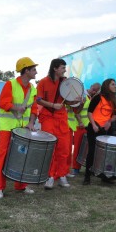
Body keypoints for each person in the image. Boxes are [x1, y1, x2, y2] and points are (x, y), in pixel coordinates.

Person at [0, 57, 38, 199]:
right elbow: (2, 103)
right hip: (7, 127)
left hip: (23, 128)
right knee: (3, 156)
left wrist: (31, 123)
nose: (36, 72)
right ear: (26, 71)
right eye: (34, 69)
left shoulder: (32, 88)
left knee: (22, 156)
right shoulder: (10, 84)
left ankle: (21, 185)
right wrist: (17, 107)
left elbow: (35, 108)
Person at [37, 58, 80, 189]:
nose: (65, 70)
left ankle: (62, 175)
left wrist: (76, 101)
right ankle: (49, 176)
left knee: (64, 149)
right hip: (48, 118)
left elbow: (68, 101)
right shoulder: (43, 82)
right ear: (55, 68)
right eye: (62, 67)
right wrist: (51, 105)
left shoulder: (66, 82)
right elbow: (38, 99)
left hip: (61, 118)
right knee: (50, 148)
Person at [82, 79, 116, 185]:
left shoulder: (113, 100)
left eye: (115, 84)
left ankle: (104, 176)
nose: (115, 86)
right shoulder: (98, 97)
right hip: (94, 128)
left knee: (106, 154)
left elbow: (114, 115)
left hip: (106, 129)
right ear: (107, 86)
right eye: (113, 84)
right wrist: (93, 125)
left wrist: (109, 122)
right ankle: (87, 176)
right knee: (92, 151)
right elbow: (90, 112)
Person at [70, 83, 101, 175]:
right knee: (78, 148)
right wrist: (80, 122)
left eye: (96, 90)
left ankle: (85, 167)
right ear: (90, 86)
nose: (94, 91)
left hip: (88, 126)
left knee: (86, 149)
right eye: (93, 89)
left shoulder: (90, 98)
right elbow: (76, 111)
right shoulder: (82, 95)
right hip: (80, 126)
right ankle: (75, 168)